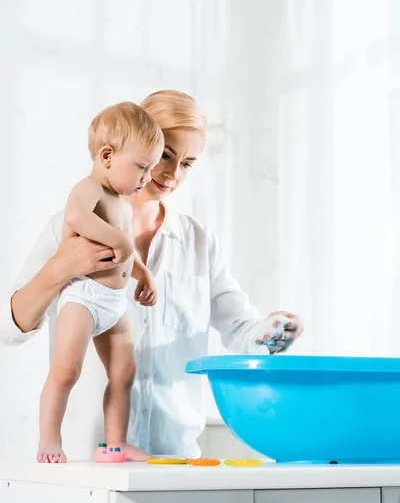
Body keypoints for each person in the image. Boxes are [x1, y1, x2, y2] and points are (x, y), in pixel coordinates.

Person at [0, 90, 304, 460]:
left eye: (188, 163)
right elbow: (8, 328)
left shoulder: (199, 242)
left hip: (170, 459)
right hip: (83, 464)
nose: (173, 174)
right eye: (165, 155)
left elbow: (242, 329)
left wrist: (273, 330)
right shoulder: (71, 221)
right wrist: (61, 267)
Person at [37, 102, 164, 463]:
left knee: (125, 372)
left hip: (114, 302)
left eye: (151, 168)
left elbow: (127, 253)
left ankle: (117, 442)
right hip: (83, 297)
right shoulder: (89, 188)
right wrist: (119, 240)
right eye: (141, 167)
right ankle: (49, 439)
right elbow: (76, 216)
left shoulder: (122, 201)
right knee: (66, 370)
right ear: (107, 155)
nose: (147, 177)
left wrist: (145, 273)